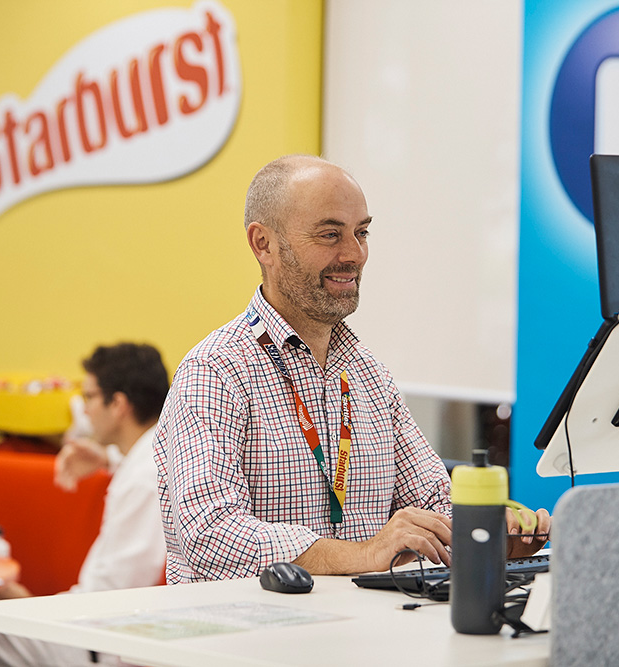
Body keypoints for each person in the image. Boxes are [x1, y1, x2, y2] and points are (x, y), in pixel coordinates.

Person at [154, 155, 551, 584]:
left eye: (362, 232)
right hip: (243, 642)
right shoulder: (214, 371)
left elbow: (434, 503)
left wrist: (491, 536)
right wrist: (364, 553)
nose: (354, 255)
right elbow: (210, 535)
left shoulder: (369, 375)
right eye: (330, 235)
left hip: (357, 637)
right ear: (262, 244)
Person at [0, 342, 170, 667]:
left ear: (118, 404)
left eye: (89, 396)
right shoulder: (153, 456)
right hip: (89, 630)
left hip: (91, 643)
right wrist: (106, 457)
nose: (83, 407)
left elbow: (108, 595)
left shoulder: (143, 479)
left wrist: (28, 606)